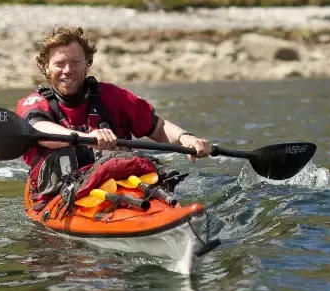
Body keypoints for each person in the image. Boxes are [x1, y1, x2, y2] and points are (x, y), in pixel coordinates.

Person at [16, 26, 210, 201]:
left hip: (122, 186)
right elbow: (39, 130)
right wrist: (88, 137)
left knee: (130, 159)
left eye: (75, 62)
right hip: (62, 197)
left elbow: (157, 127)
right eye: (59, 64)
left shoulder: (112, 96)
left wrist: (186, 138)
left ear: (87, 64)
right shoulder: (34, 102)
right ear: (47, 66)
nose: (68, 70)